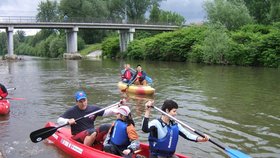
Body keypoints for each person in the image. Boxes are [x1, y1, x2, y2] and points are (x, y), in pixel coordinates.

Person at [142, 100, 210, 158]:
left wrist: (201, 139)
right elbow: (145, 129)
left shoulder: (175, 125)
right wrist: (147, 110)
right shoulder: (156, 123)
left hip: (170, 155)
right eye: (174, 111)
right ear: (167, 110)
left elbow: (188, 135)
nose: (176, 114)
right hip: (157, 156)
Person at [57, 90, 125, 147]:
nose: (83, 103)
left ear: (87, 99)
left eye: (84, 100)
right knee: (92, 131)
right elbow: (59, 120)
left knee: (108, 127)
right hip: (77, 137)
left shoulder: (93, 109)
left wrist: (119, 106)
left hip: (92, 134)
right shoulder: (72, 111)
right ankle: (86, 149)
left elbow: (107, 112)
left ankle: (107, 146)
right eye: (80, 101)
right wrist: (68, 121)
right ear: (76, 102)